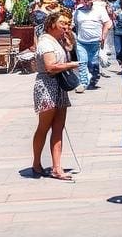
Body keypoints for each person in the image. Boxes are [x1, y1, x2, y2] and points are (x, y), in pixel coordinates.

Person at [31, 12, 80, 180]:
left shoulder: (58, 41)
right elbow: (50, 67)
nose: (66, 27)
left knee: (58, 127)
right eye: (62, 24)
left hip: (59, 86)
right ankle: (36, 163)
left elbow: (69, 58)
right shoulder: (45, 42)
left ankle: (57, 168)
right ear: (51, 24)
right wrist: (71, 65)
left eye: (67, 23)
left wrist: (69, 47)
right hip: (47, 86)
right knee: (44, 127)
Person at [74, 0, 110, 91]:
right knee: (82, 62)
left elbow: (108, 23)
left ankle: (94, 79)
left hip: (95, 42)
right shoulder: (78, 11)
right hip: (81, 42)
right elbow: (75, 25)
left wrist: (103, 36)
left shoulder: (99, 10)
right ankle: (83, 83)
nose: (86, 1)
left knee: (93, 63)